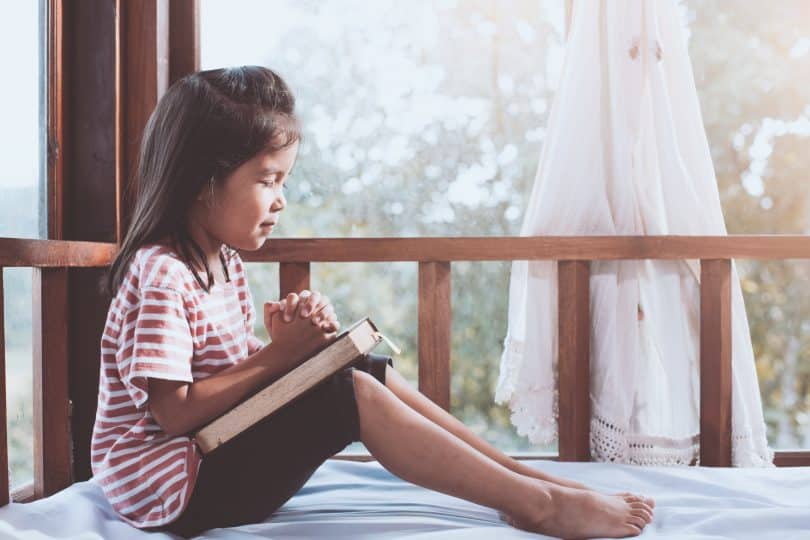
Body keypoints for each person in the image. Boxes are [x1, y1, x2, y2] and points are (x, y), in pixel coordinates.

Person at [91, 66, 654, 539]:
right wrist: (281, 358)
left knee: (353, 364)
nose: (280, 200)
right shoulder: (162, 273)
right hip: (172, 487)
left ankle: (521, 478)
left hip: (207, 455)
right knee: (345, 394)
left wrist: (299, 349)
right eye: (267, 180)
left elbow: (228, 378)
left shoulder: (224, 263)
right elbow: (175, 412)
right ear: (201, 182)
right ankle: (539, 505)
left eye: (284, 181)